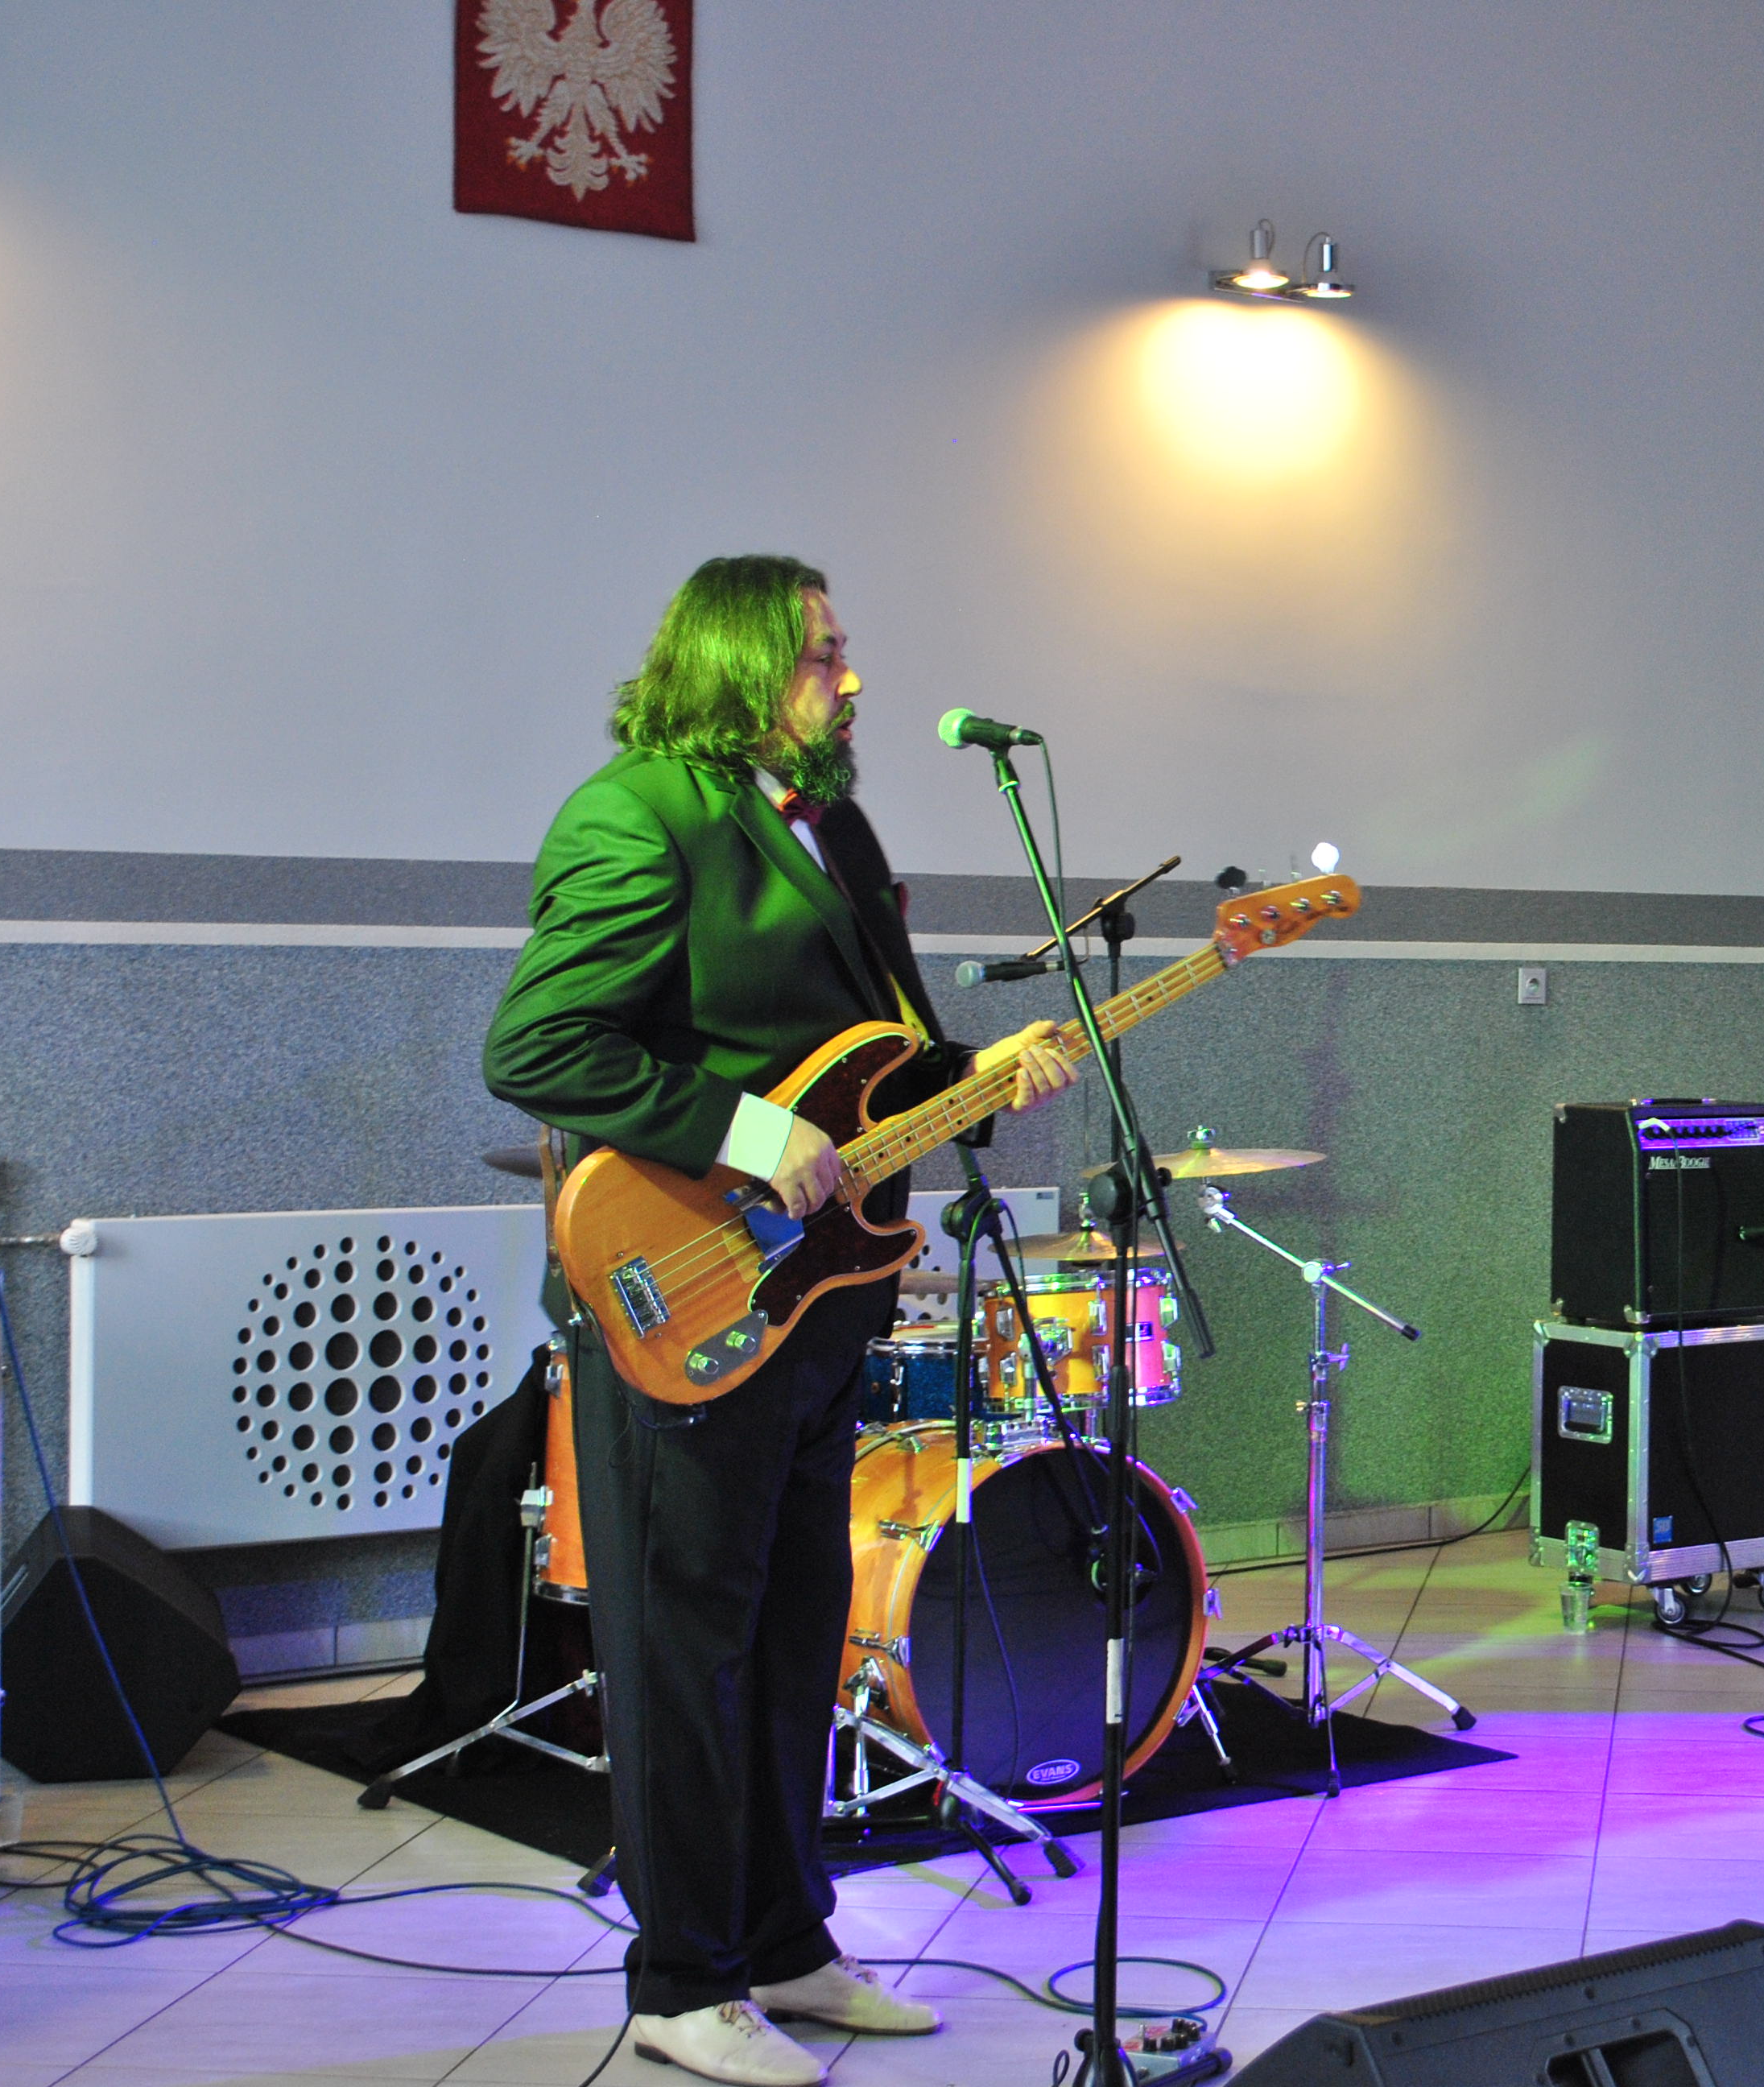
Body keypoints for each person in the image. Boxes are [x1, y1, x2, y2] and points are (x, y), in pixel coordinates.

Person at [485, 556, 1072, 2086]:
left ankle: (786, 1940)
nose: (849, 678)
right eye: (821, 654)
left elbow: (875, 1065)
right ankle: (683, 1982)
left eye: (843, 650)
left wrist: (980, 1071)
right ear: (741, 663)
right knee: (686, 1649)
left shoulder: (839, 830)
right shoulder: (637, 814)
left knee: (797, 1630)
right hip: (681, 1289)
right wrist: (746, 1134)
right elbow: (540, 1045)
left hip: (815, 1302)